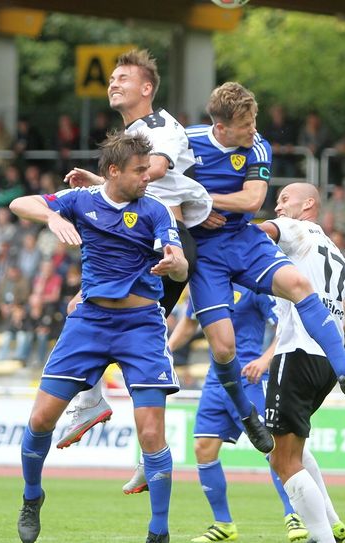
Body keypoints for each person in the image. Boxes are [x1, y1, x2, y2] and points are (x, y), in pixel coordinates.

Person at [182, 83, 345, 452]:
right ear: (221, 126)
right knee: (224, 350)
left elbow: (252, 201)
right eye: (246, 124)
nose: (254, 129)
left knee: (298, 285)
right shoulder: (186, 141)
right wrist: (188, 209)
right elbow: (153, 184)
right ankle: (248, 415)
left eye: (255, 120)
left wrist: (198, 199)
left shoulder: (258, 147)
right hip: (206, 255)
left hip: (242, 240)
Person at [8, 131, 187, 543]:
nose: (147, 177)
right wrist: (52, 216)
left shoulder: (156, 210)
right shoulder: (81, 201)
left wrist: (174, 264)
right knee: (40, 420)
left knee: (151, 434)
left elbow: (178, 267)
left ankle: (158, 531)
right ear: (113, 171)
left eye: (148, 169)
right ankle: (32, 497)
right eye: (140, 171)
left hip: (141, 325)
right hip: (88, 322)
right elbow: (22, 203)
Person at [58, 49, 213, 446]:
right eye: (111, 79)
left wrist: (103, 185)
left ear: (147, 88)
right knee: (106, 322)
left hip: (166, 243)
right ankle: (145, 445)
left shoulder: (159, 126)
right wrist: (99, 184)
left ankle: (98, 406)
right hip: (145, 242)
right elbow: (136, 188)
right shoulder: (134, 135)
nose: (113, 83)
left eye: (122, 78)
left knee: (101, 318)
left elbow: (154, 170)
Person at [123, 284, 312, 543]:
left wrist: (264, 360)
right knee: (203, 447)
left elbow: (284, 326)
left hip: (249, 375)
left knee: (273, 448)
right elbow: (189, 324)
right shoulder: (205, 286)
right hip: (215, 380)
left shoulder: (252, 284)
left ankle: (294, 514)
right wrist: (164, 351)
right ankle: (224, 524)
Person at [258, 182, 345, 543]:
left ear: (308, 204)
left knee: (282, 461)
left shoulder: (298, 229)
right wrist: (333, 326)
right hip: (325, 361)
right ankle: (326, 527)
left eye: (284, 200)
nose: (278, 207)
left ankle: (323, 537)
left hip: (295, 352)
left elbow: (265, 229)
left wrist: (228, 226)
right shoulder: (334, 250)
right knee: (296, 450)